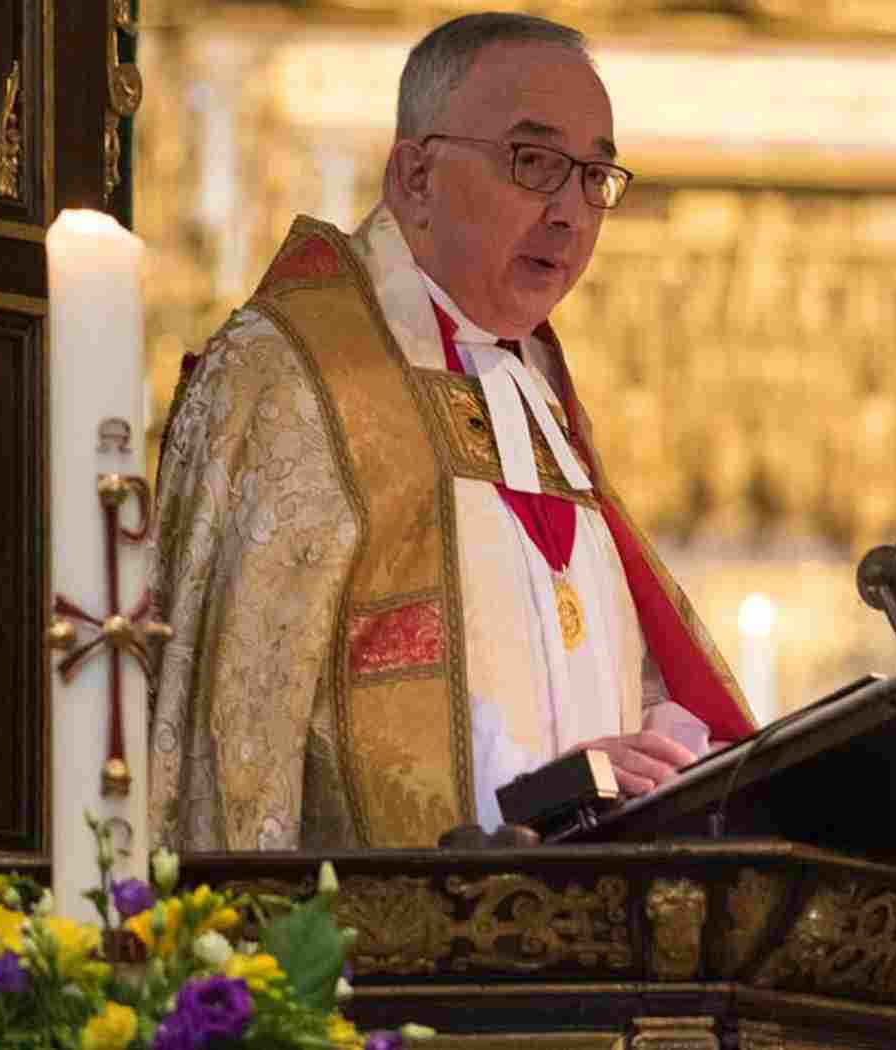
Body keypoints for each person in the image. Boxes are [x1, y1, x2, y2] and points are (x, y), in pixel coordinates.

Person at [149, 11, 755, 852]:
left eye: (595, 176)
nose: (571, 212)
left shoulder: (535, 387)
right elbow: (240, 738)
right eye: (534, 162)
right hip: (386, 960)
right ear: (416, 177)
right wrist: (544, 801)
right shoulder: (291, 379)